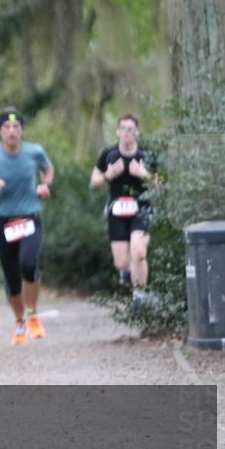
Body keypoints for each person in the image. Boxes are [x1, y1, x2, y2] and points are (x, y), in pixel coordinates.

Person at [0, 108, 54, 346]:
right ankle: (19, 321)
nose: (12, 131)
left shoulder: (34, 152)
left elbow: (48, 168)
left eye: (16, 127)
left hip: (29, 218)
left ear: (22, 130)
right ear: (0, 131)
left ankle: (33, 314)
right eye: (7, 127)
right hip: (2, 222)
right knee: (12, 277)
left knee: (28, 264)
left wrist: (45, 185)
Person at [89, 114, 155, 309]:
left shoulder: (145, 154)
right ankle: (128, 273)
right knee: (121, 263)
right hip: (117, 211)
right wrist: (108, 175)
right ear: (118, 132)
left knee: (139, 251)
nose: (127, 133)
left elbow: (161, 183)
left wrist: (144, 174)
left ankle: (139, 298)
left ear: (137, 133)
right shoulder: (108, 155)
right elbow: (94, 182)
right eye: (124, 128)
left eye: (131, 129)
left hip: (141, 209)